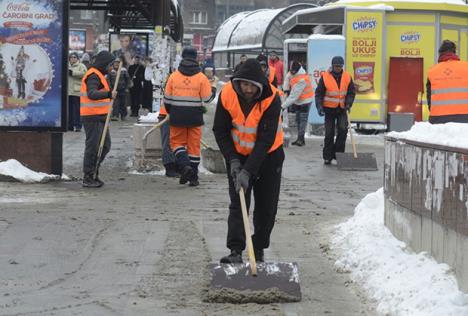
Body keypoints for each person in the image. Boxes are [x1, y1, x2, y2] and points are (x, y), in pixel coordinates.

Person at [213, 58, 284, 263]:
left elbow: (265, 140)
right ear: (238, 82)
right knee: (238, 203)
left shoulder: (272, 99)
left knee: (266, 207)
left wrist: (248, 171)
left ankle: (258, 247)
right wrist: (234, 162)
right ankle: (236, 250)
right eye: (244, 84)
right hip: (238, 155)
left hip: (270, 156)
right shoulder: (227, 93)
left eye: (253, 86)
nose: (248, 89)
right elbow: (220, 130)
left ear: (260, 84)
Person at [163, 47, 214, 186]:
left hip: (177, 116)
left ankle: (185, 167)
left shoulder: (174, 76)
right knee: (194, 146)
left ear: (183, 57)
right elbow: (208, 99)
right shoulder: (201, 77)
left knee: (176, 143)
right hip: (195, 117)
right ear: (196, 58)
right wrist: (213, 90)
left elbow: (166, 99)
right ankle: (194, 177)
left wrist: (171, 111)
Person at [80, 51, 117, 188]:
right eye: (110, 65)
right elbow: (92, 94)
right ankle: (88, 176)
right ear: (105, 64)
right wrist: (108, 94)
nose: (112, 68)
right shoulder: (93, 75)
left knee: (105, 146)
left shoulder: (100, 75)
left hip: (100, 116)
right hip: (92, 116)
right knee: (93, 147)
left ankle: (94, 172)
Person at [315, 56, 355, 165]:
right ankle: (327, 156)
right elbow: (319, 94)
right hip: (329, 110)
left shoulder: (347, 77)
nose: (338, 68)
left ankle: (338, 155)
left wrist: (348, 103)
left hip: (342, 109)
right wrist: (319, 107)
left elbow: (351, 92)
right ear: (332, 66)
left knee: (342, 131)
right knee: (329, 133)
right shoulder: (325, 77)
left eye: (340, 66)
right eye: (336, 66)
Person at [427, 40, 468, 124]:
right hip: (464, 117)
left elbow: (429, 97)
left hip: (438, 118)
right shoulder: (466, 67)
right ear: (454, 52)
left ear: (440, 53)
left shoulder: (432, 71)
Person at [281, 61, 314, 146]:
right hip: (298, 101)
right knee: (298, 120)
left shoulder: (302, 79)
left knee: (302, 120)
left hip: (306, 101)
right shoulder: (292, 72)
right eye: (291, 71)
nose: (291, 73)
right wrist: (286, 89)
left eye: (293, 71)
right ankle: (300, 139)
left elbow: (293, 96)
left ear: (298, 70)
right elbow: (287, 78)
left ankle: (300, 140)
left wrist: (283, 106)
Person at [158, 100, 179, 177]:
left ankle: (177, 166)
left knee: (178, 142)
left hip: (179, 114)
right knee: (168, 142)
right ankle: (169, 167)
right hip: (166, 115)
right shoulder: (171, 87)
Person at [68, 52, 87, 131]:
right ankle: (70, 125)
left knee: (77, 110)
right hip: (68, 92)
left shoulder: (81, 66)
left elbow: (85, 74)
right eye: (71, 57)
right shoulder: (67, 66)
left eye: (75, 57)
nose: (73, 58)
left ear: (77, 58)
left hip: (77, 91)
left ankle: (78, 126)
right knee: (69, 110)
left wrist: (73, 73)